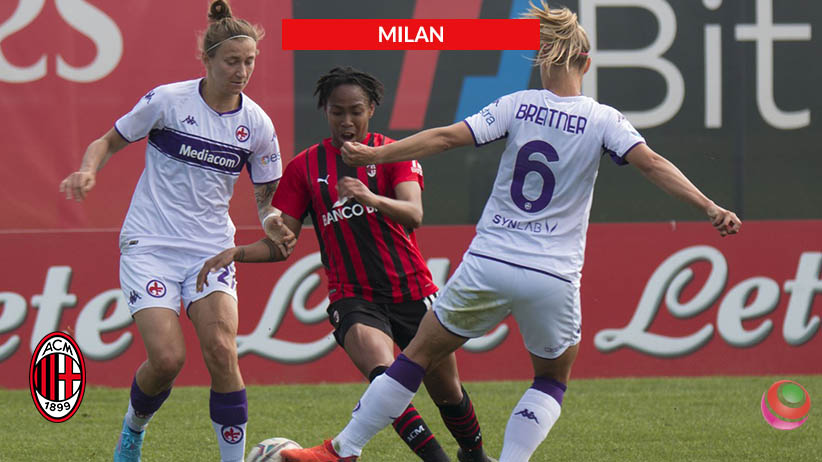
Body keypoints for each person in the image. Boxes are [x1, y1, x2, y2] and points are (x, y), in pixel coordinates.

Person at [279, 3, 742, 462]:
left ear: (541, 61)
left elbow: (444, 138)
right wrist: (709, 206)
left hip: (491, 262)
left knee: (415, 357)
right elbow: (653, 164)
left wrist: (377, 155)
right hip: (553, 274)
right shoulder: (604, 119)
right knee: (551, 379)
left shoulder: (518, 105)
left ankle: (343, 448)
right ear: (586, 63)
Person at [197, 66, 494, 462]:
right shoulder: (304, 168)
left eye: (356, 111)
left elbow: (414, 213)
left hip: (412, 291)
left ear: (371, 109)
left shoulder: (393, 153)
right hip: (353, 297)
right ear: (326, 112)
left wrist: (369, 197)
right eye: (338, 112)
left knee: (448, 391)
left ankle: (474, 456)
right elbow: (281, 245)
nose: (347, 121)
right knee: (385, 382)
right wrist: (238, 252)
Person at [59, 1, 295, 461]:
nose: (242, 71)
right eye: (232, 61)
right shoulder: (167, 101)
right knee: (167, 360)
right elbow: (107, 141)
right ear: (207, 59)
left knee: (222, 351)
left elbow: (268, 199)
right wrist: (88, 170)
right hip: (150, 245)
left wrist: (273, 224)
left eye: (249, 61)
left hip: (211, 249)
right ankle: (133, 429)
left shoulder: (257, 124)